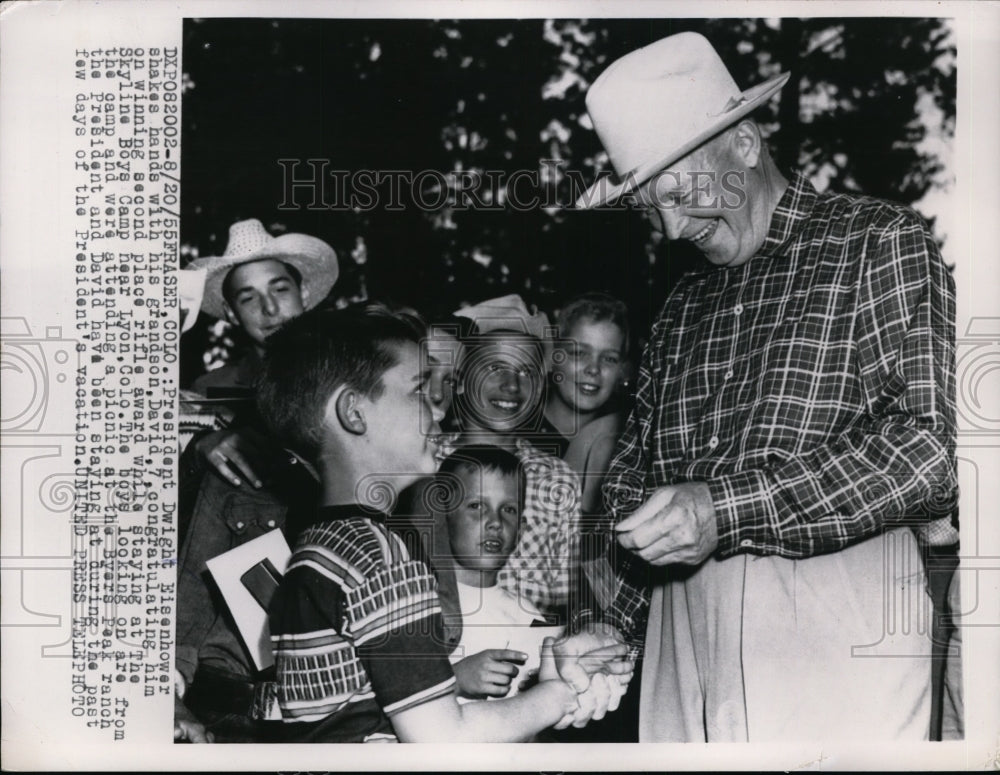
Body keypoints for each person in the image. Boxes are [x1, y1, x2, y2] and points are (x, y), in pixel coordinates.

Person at [573, 32, 958, 741]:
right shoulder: (680, 308)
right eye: (650, 209)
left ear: (745, 143)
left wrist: (726, 507)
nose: (671, 229)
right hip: (679, 640)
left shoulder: (875, 240)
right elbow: (629, 488)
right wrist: (605, 624)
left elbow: (927, 454)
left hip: (837, 628)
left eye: (681, 194)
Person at [253, 306, 631, 743]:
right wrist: (555, 693)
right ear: (354, 413)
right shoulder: (385, 557)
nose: (436, 408)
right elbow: (441, 739)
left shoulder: (320, 545)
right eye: (417, 391)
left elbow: (352, 710)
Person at [432, 446, 562, 704]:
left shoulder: (529, 616)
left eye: (509, 510)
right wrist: (454, 680)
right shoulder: (418, 601)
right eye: (477, 505)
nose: (495, 521)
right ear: (442, 518)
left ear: (522, 529)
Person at [545, 293, 630, 514]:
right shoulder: (515, 435)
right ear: (554, 358)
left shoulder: (624, 449)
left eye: (609, 358)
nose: (594, 369)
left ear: (622, 371)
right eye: (579, 353)